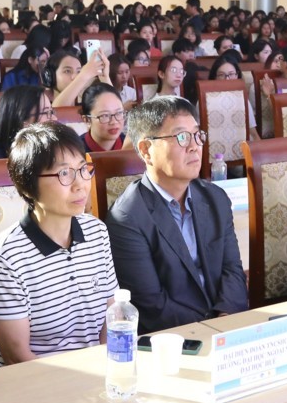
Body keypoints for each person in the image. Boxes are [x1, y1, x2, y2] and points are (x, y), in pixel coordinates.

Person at [106, 96, 248, 334]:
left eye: (197, 135)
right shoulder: (127, 218)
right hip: (174, 338)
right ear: (146, 150)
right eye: (182, 137)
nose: (194, 146)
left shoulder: (215, 198)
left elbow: (232, 270)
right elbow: (152, 305)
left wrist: (224, 317)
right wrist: (210, 327)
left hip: (225, 326)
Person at [0, 123, 118, 364]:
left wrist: (106, 369)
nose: (80, 184)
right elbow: (16, 356)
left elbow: (111, 316)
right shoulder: (5, 255)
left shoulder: (97, 232)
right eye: (64, 173)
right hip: (33, 380)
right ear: (28, 186)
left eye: (82, 169)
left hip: (95, 373)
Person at [0, 86, 55, 160]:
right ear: (22, 120)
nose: (54, 118)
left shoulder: (52, 147)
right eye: (46, 112)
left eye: (51, 112)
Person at [79, 83, 129, 153]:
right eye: (105, 115)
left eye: (119, 113)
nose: (114, 122)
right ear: (87, 120)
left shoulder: (133, 147)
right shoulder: (75, 151)